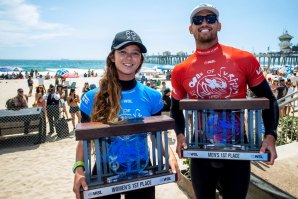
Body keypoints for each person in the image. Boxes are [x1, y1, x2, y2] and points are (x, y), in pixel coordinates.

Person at [170, 4, 278, 199]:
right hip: (201, 152)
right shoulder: (180, 70)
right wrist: (180, 135)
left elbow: (269, 99)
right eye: (198, 20)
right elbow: (175, 109)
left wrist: (270, 136)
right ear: (190, 28)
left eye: (210, 19)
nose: (204, 23)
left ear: (219, 25)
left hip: (238, 152)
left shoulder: (244, 59)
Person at [73, 30, 180, 199]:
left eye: (134, 53)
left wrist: (170, 156)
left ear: (140, 60)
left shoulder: (152, 96)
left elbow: (156, 135)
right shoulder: (92, 97)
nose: (129, 58)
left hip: (142, 171)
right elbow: (83, 142)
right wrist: (79, 170)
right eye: (122, 52)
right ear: (112, 57)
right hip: (103, 173)